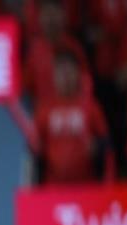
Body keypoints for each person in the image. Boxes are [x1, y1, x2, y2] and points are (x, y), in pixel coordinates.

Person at [33, 50, 113, 184]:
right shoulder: (44, 109)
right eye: (61, 73)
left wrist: (97, 147)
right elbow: (34, 147)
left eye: (69, 72)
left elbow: (107, 144)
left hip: (85, 185)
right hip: (52, 186)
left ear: (77, 74)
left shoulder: (91, 106)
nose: (65, 78)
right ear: (54, 76)